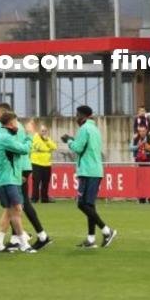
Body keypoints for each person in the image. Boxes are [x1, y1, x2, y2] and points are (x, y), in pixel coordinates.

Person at [64, 105, 116, 248]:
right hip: (96, 170)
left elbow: (78, 148)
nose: (76, 118)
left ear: (84, 116)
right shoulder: (94, 129)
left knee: (82, 204)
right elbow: (85, 146)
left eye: (78, 114)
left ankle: (106, 231)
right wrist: (73, 140)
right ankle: (91, 239)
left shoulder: (84, 129)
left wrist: (68, 141)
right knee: (90, 205)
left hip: (87, 171)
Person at [0, 111, 36, 253]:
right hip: (9, 179)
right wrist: (29, 135)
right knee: (17, 210)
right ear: (10, 123)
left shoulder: (6, 136)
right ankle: (24, 244)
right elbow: (24, 149)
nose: (17, 125)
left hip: (7, 179)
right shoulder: (5, 137)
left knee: (9, 212)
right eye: (16, 122)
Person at [29, 124, 56, 204]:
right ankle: (34, 198)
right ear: (38, 131)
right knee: (36, 182)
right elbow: (40, 147)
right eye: (42, 131)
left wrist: (47, 140)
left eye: (45, 131)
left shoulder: (47, 138)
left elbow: (54, 147)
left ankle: (45, 198)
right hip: (36, 163)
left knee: (46, 182)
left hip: (47, 163)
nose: (44, 132)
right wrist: (48, 147)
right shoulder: (35, 137)